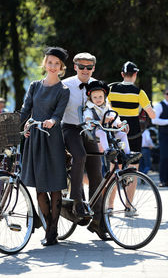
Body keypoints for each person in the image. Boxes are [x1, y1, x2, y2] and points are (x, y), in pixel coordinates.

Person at [20, 46, 70, 246]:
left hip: (53, 137)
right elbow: (26, 109)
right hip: (35, 137)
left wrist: (52, 121)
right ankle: (49, 226)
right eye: (49, 62)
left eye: (56, 64)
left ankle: (53, 231)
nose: (52, 66)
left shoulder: (63, 90)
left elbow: (58, 114)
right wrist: (21, 126)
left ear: (61, 67)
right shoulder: (34, 86)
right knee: (40, 187)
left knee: (56, 184)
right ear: (45, 63)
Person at [62, 52, 110, 240]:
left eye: (89, 67)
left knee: (97, 173)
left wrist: (117, 122)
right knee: (80, 156)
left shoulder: (98, 85)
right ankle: (76, 200)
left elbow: (107, 109)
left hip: (92, 131)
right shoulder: (65, 85)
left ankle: (98, 222)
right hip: (71, 128)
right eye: (81, 66)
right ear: (74, 67)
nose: (85, 70)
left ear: (93, 68)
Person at [108, 61, 155, 216]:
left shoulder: (111, 89)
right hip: (133, 135)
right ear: (135, 75)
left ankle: (110, 207)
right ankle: (129, 207)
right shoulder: (139, 92)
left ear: (122, 74)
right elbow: (152, 115)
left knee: (114, 168)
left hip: (115, 133)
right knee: (133, 169)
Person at [84, 80, 139, 162]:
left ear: (104, 96)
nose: (98, 99)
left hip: (109, 130)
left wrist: (119, 124)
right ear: (90, 98)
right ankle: (108, 152)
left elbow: (114, 118)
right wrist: (101, 121)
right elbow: (88, 122)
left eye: (100, 97)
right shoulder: (89, 109)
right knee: (102, 133)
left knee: (123, 134)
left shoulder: (107, 106)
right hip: (96, 130)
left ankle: (127, 154)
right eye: (95, 97)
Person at [152, 88, 168, 187]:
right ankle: (163, 180)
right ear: (164, 94)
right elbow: (154, 120)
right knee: (164, 157)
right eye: (167, 93)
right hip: (164, 135)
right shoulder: (159, 105)